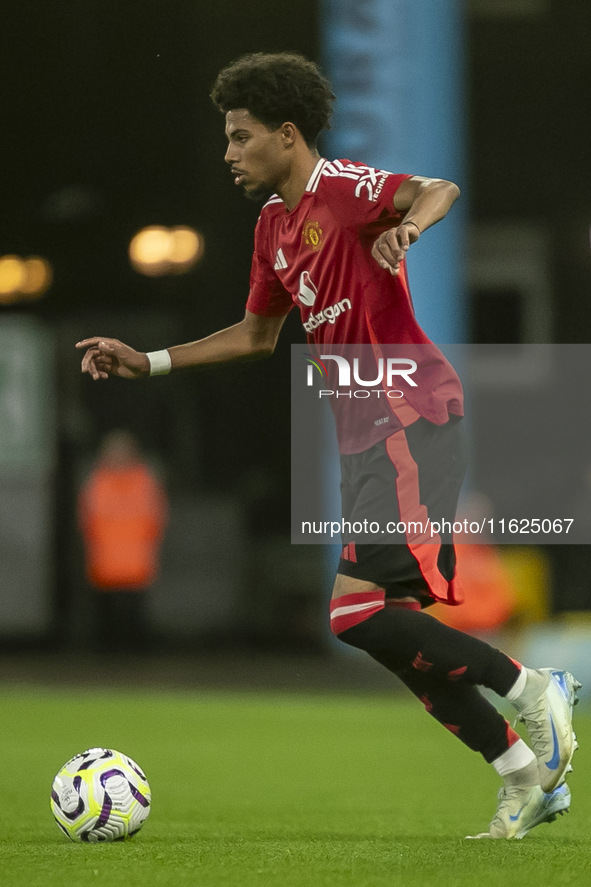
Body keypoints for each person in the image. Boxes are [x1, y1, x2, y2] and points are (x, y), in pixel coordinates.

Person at [76, 52, 580, 838]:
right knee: (388, 629)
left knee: (354, 615)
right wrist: (151, 361)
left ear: (286, 133)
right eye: (226, 139)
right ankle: (523, 776)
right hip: (366, 433)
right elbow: (255, 334)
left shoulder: (342, 189)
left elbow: (436, 188)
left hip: (410, 412)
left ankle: (528, 686)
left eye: (241, 137)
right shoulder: (273, 228)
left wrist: (408, 227)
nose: (228, 153)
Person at [78, 429, 168, 652]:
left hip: (136, 562)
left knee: (134, 619)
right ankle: (108, 662)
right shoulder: (97, 482)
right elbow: (86, 520)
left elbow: (158, 517)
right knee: (106, 620)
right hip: (105, 562)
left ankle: (135, 663)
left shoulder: (144, 481)